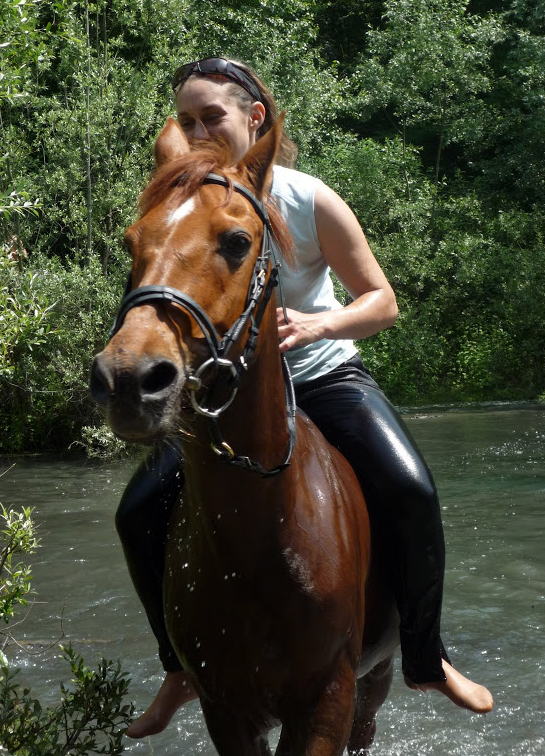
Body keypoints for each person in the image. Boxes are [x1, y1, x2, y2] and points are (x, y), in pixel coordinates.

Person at [116, 57, 493, 739]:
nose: (199, 130)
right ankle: (179, 668)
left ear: (253, 118)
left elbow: (384, 301)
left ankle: (426, 654)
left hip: (321, 375)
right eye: (187, 119)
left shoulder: (306, 196)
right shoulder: (176, 209)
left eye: (213, 116)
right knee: (137, 511)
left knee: (411, 487)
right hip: (221, 399)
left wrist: (320, 322)